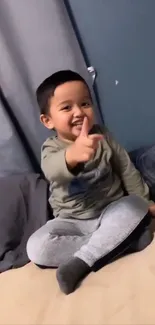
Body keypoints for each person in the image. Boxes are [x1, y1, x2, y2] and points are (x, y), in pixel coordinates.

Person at [27, 70, 155, 294]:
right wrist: (72, 155)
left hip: (111, 210)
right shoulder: (51, 148)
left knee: (135, 207)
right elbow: (52, 170)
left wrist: (145, 201)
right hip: (72, 221)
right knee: (36, 247)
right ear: (47, 120)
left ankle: (81, 262)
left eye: (85, 103)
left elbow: (126, 169)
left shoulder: (103, 136)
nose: (79, 112)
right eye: (67, 107)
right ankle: (124, 242)